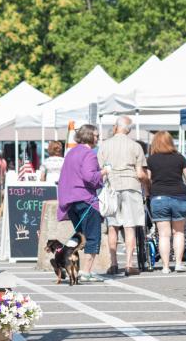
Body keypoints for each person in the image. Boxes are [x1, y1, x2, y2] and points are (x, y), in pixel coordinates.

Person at [98, 116, 150, 276]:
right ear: (129, 130)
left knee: (112, 226)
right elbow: (141, 173)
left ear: (115, 127)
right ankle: (128, 264)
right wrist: (147, 185)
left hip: (112, 186)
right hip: (131, 186)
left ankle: (113, 263)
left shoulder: (104, 145)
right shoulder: (135, 146)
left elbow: (100, 170)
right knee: (129, 226)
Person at [57, 124, 108, 283]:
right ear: (89, 136)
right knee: (92, 236)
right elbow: (90, 177)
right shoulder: (89, 154)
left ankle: (64, 262)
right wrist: (104, 172)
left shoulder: (71, 152)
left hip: (71, 200)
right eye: (96, 135)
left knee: (80, 236)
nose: (98, 138)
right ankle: (86, 271)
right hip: (86, 199)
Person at [147, 131, 186, 274]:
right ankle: (179, 263)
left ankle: (166, 266)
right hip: (179, 196)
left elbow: (148, 179)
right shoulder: (179, 158)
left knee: (163, 235)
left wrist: (149, 192)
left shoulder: (151, 160)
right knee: (179, 232)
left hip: (159, 197)